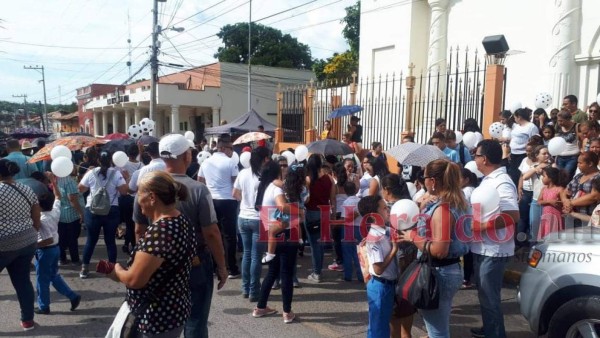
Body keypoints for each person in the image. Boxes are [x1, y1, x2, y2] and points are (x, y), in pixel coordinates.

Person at [133, 134, 227, 338]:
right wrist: (221, 266)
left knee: (163, 319)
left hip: (157, 263)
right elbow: (210, 232)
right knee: (196, 320)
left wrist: (142, 263)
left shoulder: (147, 185)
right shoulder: (199, 190)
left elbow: (139, 230)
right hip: (194, 263)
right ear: (187, 156)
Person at [108, 171, 194, 337]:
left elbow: (134, 280)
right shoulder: (181, 220)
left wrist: (117, 270)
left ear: (152, 197)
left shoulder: (160, 232)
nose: (137, 200)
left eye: (139, 194)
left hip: (156, 316)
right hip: (175, 309)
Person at [401, 160, 470, 338]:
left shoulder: (443, 209)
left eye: (424, 178)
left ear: (433, 181)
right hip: (447, 269)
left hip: (439, 271)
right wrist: (422, 207)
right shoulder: (458, 202)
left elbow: (440, 250)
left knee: (438, 332)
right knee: (437, 326)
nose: (423, 182)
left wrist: (413, 237)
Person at [470, 140, 520, 338]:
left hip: (493, 248)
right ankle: (490, 327)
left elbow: (512, 215)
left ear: (485, 158)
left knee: (490, 298)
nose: (474, 159)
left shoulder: (502, 181)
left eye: (476, 155)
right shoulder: (489, 179)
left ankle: (495, 333)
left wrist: (481, 227)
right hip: (482, 246)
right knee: (485, 295)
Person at [252, 161, 301, 324]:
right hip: (284, 233)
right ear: (277, 172)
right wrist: (299, 211)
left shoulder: (266, 187)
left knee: (273, 272)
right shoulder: (277, 189)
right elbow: (282, 206)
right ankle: (287, 312)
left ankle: (260, 307)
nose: (284, 169)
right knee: (286, 273)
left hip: (271, 232)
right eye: (282, 167)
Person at [0, 159, 41, 331]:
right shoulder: (26, 188)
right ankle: (28, 321)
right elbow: (36, 214)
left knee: (23, 281)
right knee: (23, 281)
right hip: (27, 241)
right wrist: (32, 232)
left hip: (4, 243)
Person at [34, 176, 81, 315]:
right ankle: (72, 296)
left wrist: (33, 245)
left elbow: (46, 240)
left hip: (45, 250)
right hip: (55, 248)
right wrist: (54, 183)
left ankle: (44, 306)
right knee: (53, 275)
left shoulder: (42, 219)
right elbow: (58, 197)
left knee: (42, 279)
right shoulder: (55, 211)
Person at [78, 151, 128, 279]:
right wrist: (125, 179)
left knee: (91, 240)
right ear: (111, 161)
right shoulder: (116, 174)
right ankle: (111, 269)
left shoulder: (91, 172)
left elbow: (81, 189)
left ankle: (84, 268)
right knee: (110, 241)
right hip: (112, 209)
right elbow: (123, 192)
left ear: (98, 161)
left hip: (93, 210)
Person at [379, 174, 417, 338]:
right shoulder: (411, 205)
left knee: (393, 310)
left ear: (387, 190)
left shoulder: (386, 210)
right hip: (411, 257)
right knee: (407, 301)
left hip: (394, 260)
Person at [198, 137, 240, 279]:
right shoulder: (231, 162)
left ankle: (215, 266)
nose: (232, 152)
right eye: (231, 149)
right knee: (229, 235)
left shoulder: (206, 162)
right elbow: (236, 183)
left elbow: (200, 182)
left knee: (213, 233)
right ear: (223, 148)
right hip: (228, 200)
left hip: (211, 200)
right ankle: (231, 267)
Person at [358, 194, 398, 338]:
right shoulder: (374, 238)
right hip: (380, 287)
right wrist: (394, 250)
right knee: (378, 330)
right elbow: (378, 269)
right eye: (384, 208)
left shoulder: (385, 231)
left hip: (386, 286)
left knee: (380, 326)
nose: (388, 210)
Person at [233, 147, 270, 302]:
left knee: (247, 254)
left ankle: (245, 288)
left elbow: (234, 194)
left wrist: (246, 201)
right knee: (256, 256)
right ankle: (254, 291)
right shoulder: (264, 175)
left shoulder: (243, 173)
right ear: (264, 159)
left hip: (243, 216)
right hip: (258, 218)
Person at [304, 154, 335, 283]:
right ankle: (318, 270)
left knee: (314, 245)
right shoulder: (330, 178)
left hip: (312, 212)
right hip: (325, 212)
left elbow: (307, 199)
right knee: (320, 244)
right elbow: (332, 198)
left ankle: (317, 272)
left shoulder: (308, 179)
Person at [560, 151, 600, 228]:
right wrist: (565, 201)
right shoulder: (579, 176)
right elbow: (565, 191)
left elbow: (594, 196)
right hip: (571, 216)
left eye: (580, 163)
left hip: (588, 219)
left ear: (590, 164)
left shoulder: (598, 177)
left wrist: (571, 203)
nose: (578, 165)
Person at [522, 145, 551, 244]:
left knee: (547, 228)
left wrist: (544, 171)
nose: (547, 155)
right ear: (537, 156)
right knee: (534, 226)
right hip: (535, 201)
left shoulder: (553, 166)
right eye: (544, 154)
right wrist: (536, 169)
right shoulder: (534, 167)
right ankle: (532, 251)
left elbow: (553, 180)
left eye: (548, 153)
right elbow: (525, 177)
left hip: (549, 202)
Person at [56, 168, 85, 266]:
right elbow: (72, 199)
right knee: (72, 238)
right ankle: (75, 260)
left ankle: (62, 258)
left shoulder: (57, 180)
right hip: (71, 214)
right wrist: (81, 213)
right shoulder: (69, 181)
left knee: (61, 238)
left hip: (60, 213)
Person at [120, 143, 143, 254]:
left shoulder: (123, 165)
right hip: (138, 197)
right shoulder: (142, 165)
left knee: (129, 224)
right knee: (136, 223)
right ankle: (132, 245)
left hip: (126, 197)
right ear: (137, 153)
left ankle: (130, 245)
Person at [508, 108, 539, 186]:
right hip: (513, 153)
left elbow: (535, 140)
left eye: (515, 117)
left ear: (519, 117)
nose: (514, 119)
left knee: (520, 174)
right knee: (513, 174)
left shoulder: (531, 127)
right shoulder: (516, 126)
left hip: (523, 154)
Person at [340, 182, 363, 282]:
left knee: (347, 253)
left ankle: (348, 275)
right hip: (359, 228)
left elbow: (344, 218)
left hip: (348, 229)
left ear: (345, 191)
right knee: (359, 253)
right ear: (356, 190)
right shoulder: (361, 201)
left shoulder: (346, 202)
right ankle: (361, 275)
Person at [460, 168, 478, 289]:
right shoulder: (471, 190)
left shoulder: (466, 191)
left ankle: (466, 278)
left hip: (467, 223)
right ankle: (469, 276)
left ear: (466, 180)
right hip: (471, 223)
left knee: (467, 253)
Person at [538, 167, 567, 239]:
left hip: (556, 217)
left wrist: (559, 203)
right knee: (545, 236)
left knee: (555, 237)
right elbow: (539, 201)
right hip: (546, 217)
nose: (542, 178)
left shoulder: (560, 189)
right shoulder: (544, 189)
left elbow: (565, 202)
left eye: (544, 176)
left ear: (550, 178)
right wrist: (549, 201)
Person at [555, 110, 581, 179]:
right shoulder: (558, 127)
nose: (559, 123)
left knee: (566, 175)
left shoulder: (577, 126)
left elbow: (582, 139)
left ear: (568, 119)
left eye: (561, 121)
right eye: (558, 120)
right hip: (560, 157)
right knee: (559, 177)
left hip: (572, 157)